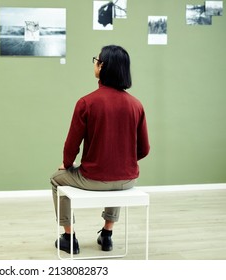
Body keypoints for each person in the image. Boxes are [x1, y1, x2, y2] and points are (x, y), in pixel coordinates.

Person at [50, 45, 150, 255]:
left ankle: (69, 237)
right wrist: (124, 161)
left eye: (96, 59)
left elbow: (71, 146)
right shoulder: (136, 105)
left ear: (102, 66)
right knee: (117, 178)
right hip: (127, 179)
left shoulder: (87, 102)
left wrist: (66, 165)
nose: (95, 62)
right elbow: (144, 149)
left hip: (93, 179)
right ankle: (107, 234)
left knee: (56, 178)